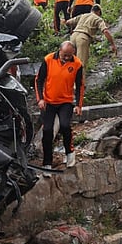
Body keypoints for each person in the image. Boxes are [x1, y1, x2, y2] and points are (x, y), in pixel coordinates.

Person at [35, 41, 85, 169]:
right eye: (64, 55)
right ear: (59, 51)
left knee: (65, 126)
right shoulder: (48, 59)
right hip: (48, 102)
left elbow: (80, 85)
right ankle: (47, 162)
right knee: (47, 131)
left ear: (73, 53)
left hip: (66, 102)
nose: (67, 58)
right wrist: (40, 99)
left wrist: (78, 105)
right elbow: (39, 80)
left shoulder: (77, 64)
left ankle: (70, 152)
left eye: (69, 55)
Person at [65, 4, 116, 72]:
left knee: (70, 63)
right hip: (83, 38)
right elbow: (105, 31)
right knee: (80, 64)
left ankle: (68, 78)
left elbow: (68, 22)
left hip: (73, 37)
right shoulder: (98, 19)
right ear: (98, 11)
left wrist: (71, 29)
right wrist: (112, 44)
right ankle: (79, 79)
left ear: (92, 10)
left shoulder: (83, 15)